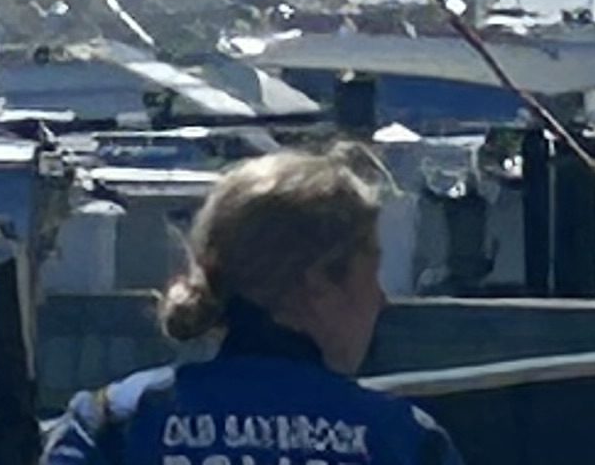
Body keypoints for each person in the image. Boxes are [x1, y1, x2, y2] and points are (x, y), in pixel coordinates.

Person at [45, 145, 464, 464]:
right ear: (318, 279)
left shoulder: (114, 423)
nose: (381, 299)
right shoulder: (403, 442)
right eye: (370, 273)